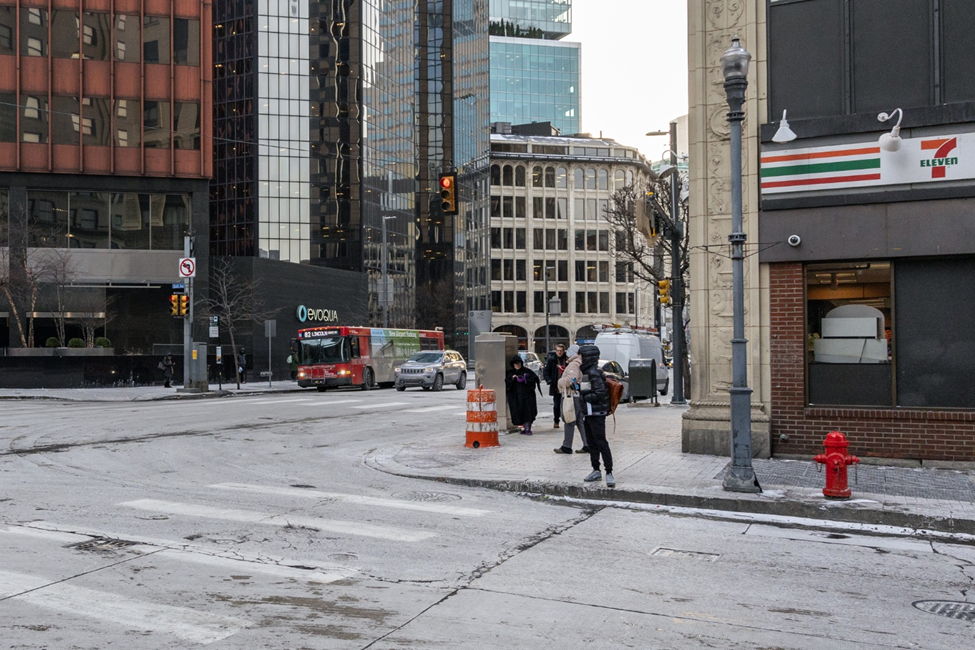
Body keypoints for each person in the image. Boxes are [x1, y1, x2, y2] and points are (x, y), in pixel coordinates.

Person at [577, 344, 615, 487]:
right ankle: (596, 470)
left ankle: (609, 472)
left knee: (600, 442)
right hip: (589, 412)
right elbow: (588, 389)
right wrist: (578, 388)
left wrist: (584, 395)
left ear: (588, 357)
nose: (580, 359)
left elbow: (599, 393)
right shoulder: (587, 372)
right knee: (592, 443)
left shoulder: (593, 372)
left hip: (596, 413)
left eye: (582, 356)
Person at [554, 345, 589, 455]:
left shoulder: (573, 364)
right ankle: (587, 444)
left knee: (569, 420)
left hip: (571, 396)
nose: (567, 352)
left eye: (569, 350)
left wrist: (560, 381)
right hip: (577, 396)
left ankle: (566, 446)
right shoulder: (578, 363)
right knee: (579, 422)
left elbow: (571, 379)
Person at [505, 354, 542, 435]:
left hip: (527, 397)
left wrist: (525, 379)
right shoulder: (510, 373)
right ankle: (524, 428)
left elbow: (534, 379)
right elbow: (507, 383)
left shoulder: (527, 371)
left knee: (528, 412)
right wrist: (513, 379)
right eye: (515, 363)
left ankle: (528, 428)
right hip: (516, 397)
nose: (517, 365)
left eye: (518, 363)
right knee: (518, 413)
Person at [543, 343, 570, 428]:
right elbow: (546, 371)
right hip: (556, 385)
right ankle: (556, 420)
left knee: (567, 404)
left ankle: (568, 420)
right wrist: (549, 380)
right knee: (556, 405)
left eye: (561, 351)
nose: (559, 352)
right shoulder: (552, 360)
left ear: (563, 351)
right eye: (557, 350)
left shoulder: (567, 360)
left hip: (567, 385)